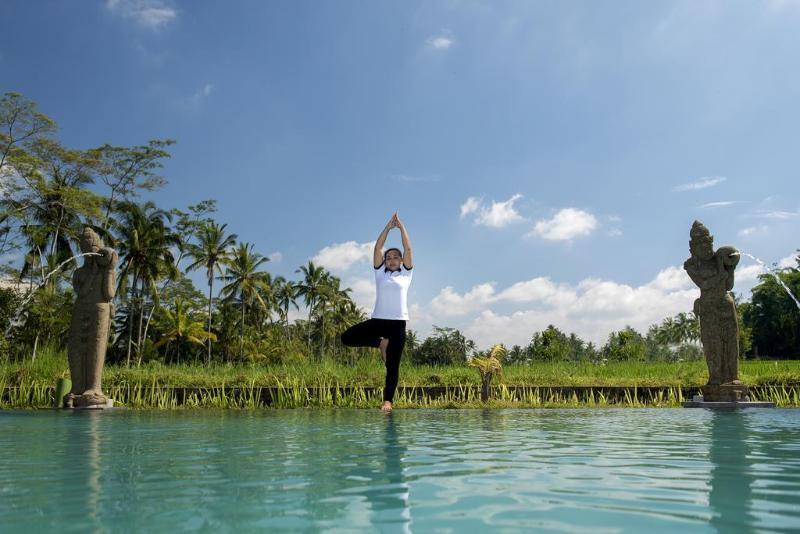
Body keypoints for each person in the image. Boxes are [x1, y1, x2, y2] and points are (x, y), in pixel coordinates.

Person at [341, 213, 413, 413]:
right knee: (346, 337)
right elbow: (377, 248)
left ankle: (387, 401)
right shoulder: (380, 274)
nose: (391, 260)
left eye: (395, 257)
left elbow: (408, 248)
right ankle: (380, 343)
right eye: (388, 257)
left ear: (401, 261)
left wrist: (401, 227)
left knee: (392, 366)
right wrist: (388, 228)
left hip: (398, 324)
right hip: (379, 321)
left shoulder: (406, 275)